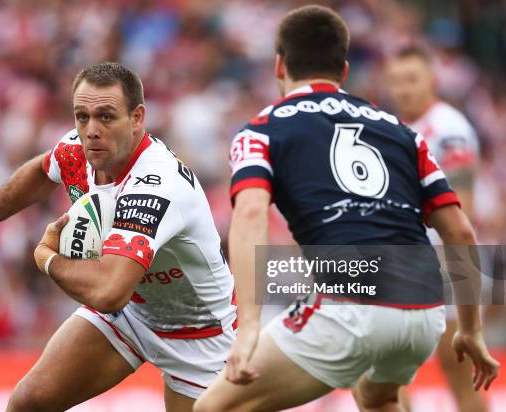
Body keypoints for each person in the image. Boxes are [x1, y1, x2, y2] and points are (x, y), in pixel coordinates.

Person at [194, 5, 499, 412]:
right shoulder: (403, 132)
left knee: (212, 408)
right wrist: (471, 330)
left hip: (354, 302)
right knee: (376, 396)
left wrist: (248, 326)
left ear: (279, 65)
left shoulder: (261, 129)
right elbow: (460, 231)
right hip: (424, 311)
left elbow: (250, 215)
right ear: (344, 69)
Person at [0, 62, 236, 412]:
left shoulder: (156, 186)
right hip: (133, 313)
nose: (91, 130)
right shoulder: (83, 148)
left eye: (106, 116)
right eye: (82, 116)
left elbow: (109, 291)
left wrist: (46, 259)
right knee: (28, 403)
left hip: (199, 335)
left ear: (137, 117)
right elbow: (41, 170)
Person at [385, 46, 486, 412]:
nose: (403, 89)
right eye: (396, 81)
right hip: (405, 264)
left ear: (432, 80)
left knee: (458, 370)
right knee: (387, 372)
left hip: (445, 263)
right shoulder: (393, 129)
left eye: (411, 79)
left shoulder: (449, 128)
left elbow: (463, 209)